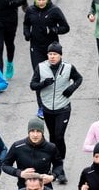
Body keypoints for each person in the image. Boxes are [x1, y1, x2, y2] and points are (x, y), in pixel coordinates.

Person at [30, 41, 83, 178]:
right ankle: (54, 164)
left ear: (60, 55)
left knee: (59, 136)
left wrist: (71, 89)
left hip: (63, 107)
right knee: (52, 137)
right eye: (50, 54)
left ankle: (60, 168)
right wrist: (43, 84)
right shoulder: (41, 67)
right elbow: (32, 85)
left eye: (55, 54)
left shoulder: (68, 67)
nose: (52, 57)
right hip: (47, 107)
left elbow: (79, 79)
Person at [23, 0, 70, 119]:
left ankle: (56, 103)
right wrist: (27, 34)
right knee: (39, 77)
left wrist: (54, 29)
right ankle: (41, 107)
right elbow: (26, 24)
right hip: (36, 48)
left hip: (51, 50)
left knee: (54, 77)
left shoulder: (54, 11)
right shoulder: (30, 10)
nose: (41, 2)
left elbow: (66, 27)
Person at [2, 117, 64, 188]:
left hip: (45, 188)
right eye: (32, 131)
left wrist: (52, 176)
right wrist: (20, 173)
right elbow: (5, 165)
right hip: (24, 189)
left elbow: (58, 164)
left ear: (42, 132)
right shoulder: (18, 146)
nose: (35, 135)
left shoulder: (51, 147)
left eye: (38, 131)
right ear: (28, 132)